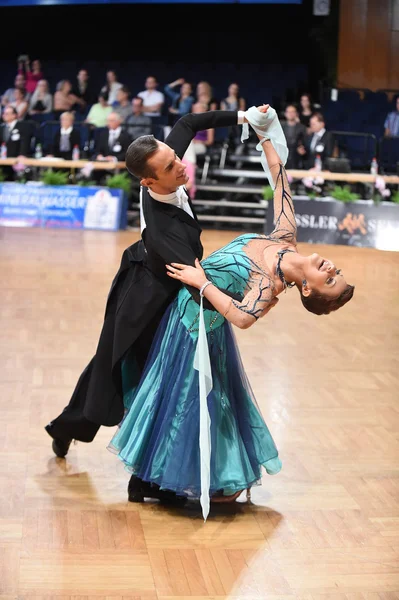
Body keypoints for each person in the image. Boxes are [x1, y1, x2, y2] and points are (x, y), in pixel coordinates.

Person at [107, 105, 355, 520]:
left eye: (331, 281)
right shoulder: (285, 237)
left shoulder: (268, 282)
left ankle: (175, 481)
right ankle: (159, 480)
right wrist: (262, 133)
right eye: (338, 273)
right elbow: (280, 181)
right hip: (187, 313)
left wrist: (201, 283)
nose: (333, 269)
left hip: (197, 328)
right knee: (181, 403)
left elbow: (242, 317)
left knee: (189, 406)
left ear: (307, 289)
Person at [44, 105, 259, 504]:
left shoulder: (164, 162)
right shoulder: (163, 232)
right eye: (171, 165)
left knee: (119, 377)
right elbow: (198, 280)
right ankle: (137, 474)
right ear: (148, 180)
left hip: (162, 286)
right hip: (147, 304)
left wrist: (244, 117)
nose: (181, 165)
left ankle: (131, 471)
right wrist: (249, 301)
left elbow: (188, 123)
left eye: (176, 157)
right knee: (132, 381)